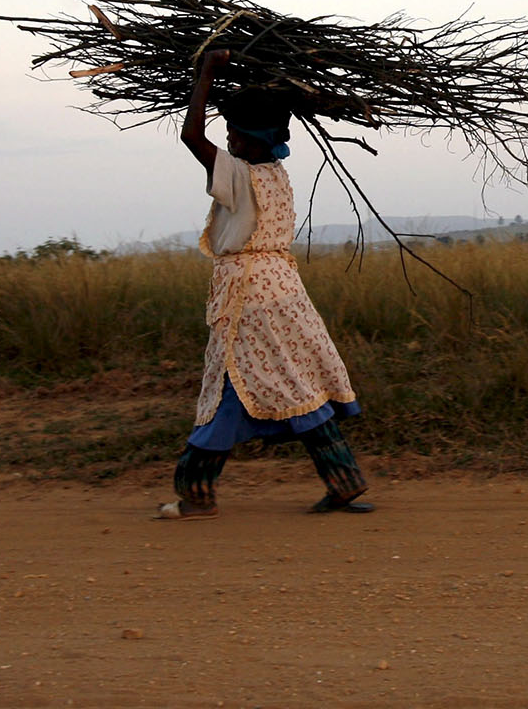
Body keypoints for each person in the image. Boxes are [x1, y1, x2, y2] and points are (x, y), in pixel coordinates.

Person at [156, 48, 373, 519]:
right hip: (284, 294)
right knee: (295, 381)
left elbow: (191, 136)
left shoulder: (238, 174)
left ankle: (196, 493)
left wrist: (206, 74)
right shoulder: (277, 174)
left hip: (248, 300)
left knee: (228, 387)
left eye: (234, 132)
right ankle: (344, 480)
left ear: (253, 142)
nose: (228, 138)